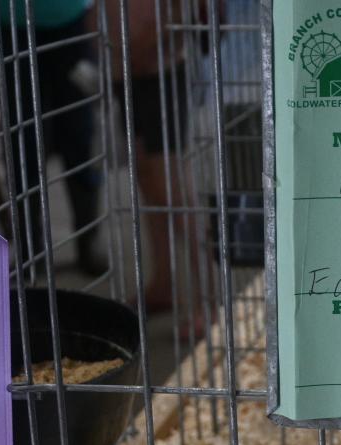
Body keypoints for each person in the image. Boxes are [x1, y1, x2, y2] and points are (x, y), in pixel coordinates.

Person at [94, 0, 223, 341]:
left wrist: (146, 43)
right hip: (129, 69)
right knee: (150, 182)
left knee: (172, 187)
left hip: (157, 67)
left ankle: (209, 300)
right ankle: (163, 284)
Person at [0, 0, 107, 277]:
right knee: (22, 142)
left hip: (71, 20)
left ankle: (89, 238)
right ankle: (31, 250)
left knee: (79, 134)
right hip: (8, 23)